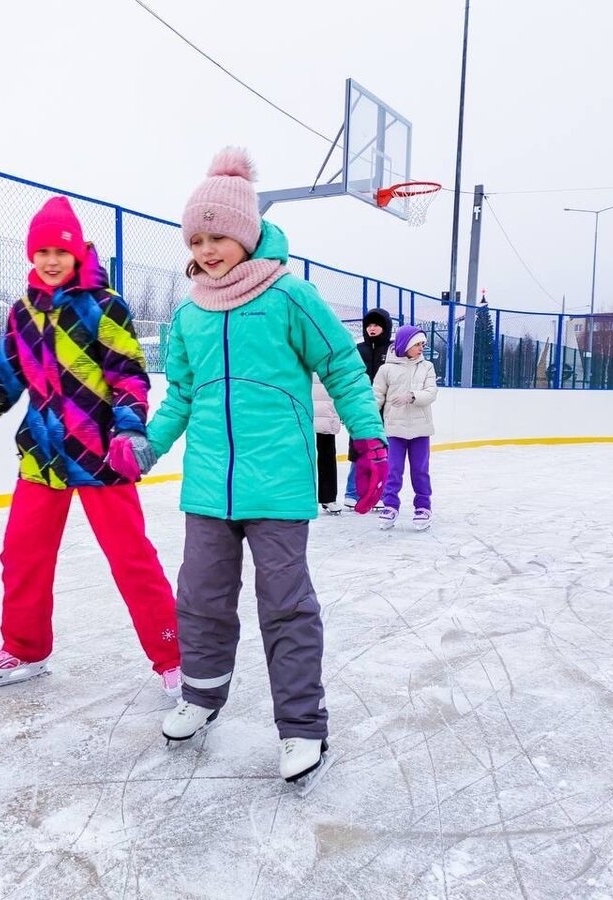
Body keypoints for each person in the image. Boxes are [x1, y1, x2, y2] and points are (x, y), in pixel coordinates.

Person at [112, 148, 388, 783]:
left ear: (246, 233)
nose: (208, 251)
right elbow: (180, 395)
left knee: (285, 604)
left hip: (280, 485)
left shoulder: (291, 296)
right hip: (208, 485)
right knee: (202, 598)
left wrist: (367, 439)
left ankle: (300, 726)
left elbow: (343, 367)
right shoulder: (188, 314)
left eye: (220, 237)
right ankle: (202, 696)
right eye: (198, 239)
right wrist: (150, 446)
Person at [0, 195, 182, 696]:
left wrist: (130, 429)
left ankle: (172, 656)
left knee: (130, 558)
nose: (51, 260)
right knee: (22, 555)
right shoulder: (22, 313)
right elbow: (7, 380)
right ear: (31, 255)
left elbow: (129, 377)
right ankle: (26, 649)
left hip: (100, 456)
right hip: (42, 458)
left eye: (61, 250)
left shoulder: (104, 306)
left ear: (78, 253)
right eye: (42, 251)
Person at [373, 324, 438, 531]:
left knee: (420, 470)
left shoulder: (426, 367)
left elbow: (431, 393)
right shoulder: (386, 369)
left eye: (422, 344)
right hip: (394, 430)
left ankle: (423, 507)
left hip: (420, 429)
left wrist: (412, 396)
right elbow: (376, 397)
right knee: (392, 470)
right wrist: (367, 417)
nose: (421, 348)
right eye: (417, 344)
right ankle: (390, 505)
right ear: (405, 344)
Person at [344, 307, 393, 509]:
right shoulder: (359, 349)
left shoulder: (392, 350)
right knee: (360, 449)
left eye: (377, 325)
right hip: (362, 408)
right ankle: (352, 492)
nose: (372, 329)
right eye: (369, 325)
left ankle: (379, 493)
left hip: (387, 410)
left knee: (382, 452)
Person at [312, 374, 343, 514]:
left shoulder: (332, 358)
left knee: (327, 455)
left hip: (327, 411)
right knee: (299, 457)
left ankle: (328, 497)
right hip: (303, 410)